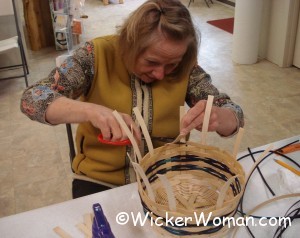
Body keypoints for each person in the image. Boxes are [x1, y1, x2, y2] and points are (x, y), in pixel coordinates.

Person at [20, 0, 244, 198]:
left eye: (172, 64)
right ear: (128, 43)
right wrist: (92, 111)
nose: (160, 74)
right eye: (151, 62)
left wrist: (220, 117)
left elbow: (233, 112)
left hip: (168, 179)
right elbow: (33, 99)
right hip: (100, 181)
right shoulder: (95, 55)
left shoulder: (186, 67)